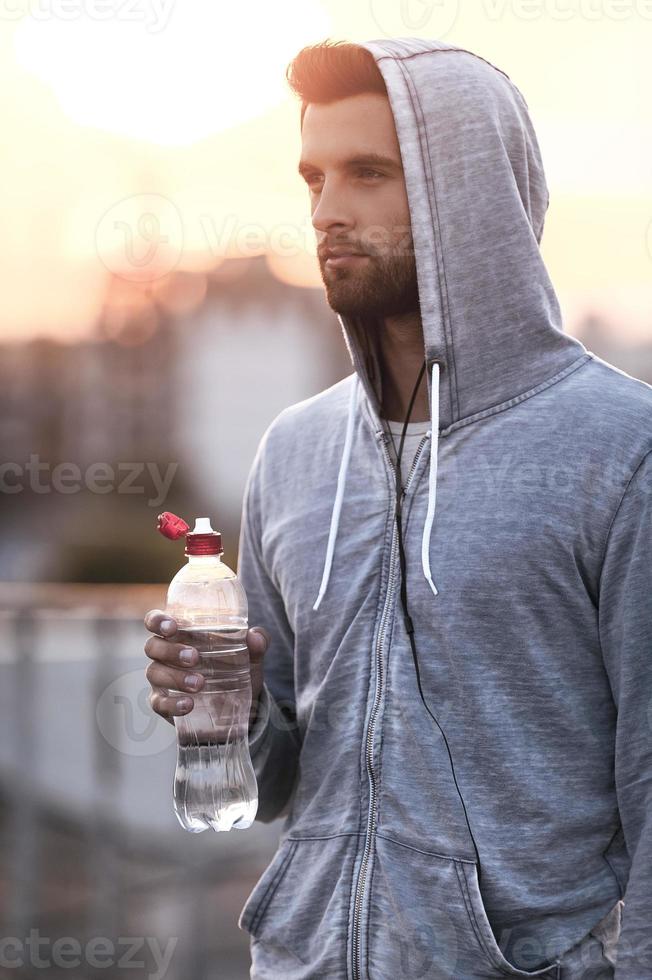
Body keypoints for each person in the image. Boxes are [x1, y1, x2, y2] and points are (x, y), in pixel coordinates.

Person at [143, 37, 652, 979]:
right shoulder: (293, 450)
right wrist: (237, 708)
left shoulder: (622, 447)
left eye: (369, 174)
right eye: (314, 178)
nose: (327, 213)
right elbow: (283, 775)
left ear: (470, 195)